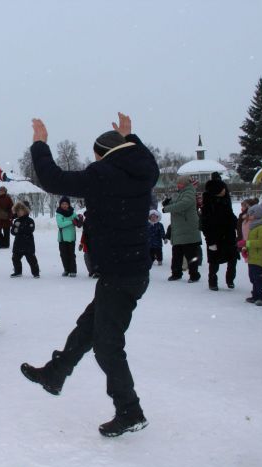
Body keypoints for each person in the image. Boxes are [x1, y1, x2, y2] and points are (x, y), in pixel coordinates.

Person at [20, 113, 158, 438]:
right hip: (131, 270)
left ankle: (130, 411)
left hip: (120, 272)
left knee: (107, 346)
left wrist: (40, 144)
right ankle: (55, 374)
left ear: (99, 154)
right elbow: (142, 158)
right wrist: (129, 137)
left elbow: (52, 180)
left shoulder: (104, 175)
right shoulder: (143, 172)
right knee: (88, 328)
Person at [200, 173, 239, 291]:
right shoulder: (208, 202)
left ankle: (230, 280)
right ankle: (212, 282)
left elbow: (230, 214)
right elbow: (205, 223)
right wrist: (209, 240)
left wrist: (237, 224)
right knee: (214, 261)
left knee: (232, 259)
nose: (224, 190)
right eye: (222, 189)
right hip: (215, 236)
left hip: (229, 234)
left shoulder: (226, 199)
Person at [162, 175, 202, 283]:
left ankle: (194, 275)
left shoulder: (189, 192)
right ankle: (176, 273)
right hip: (179, 229)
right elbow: (176, 202)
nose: (178, 185)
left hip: (188, 229)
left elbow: (183, 204)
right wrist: (168, 202)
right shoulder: (181, 193)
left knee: (191, 255)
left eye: (179, 183)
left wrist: (167, 209)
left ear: (185, 184)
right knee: (177, 254)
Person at [239, 203, 262, 306]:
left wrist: (247, 243)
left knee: (260, 278)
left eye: (250, 214)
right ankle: (256, 295)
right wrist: (246, 249)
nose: (248, 216)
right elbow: (252, 241)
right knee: (253, 278)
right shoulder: (254, 226)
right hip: (253, 257)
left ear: (257, 214)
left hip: (260, 258)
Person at [10, 201, 40, 278]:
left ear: (25, 211)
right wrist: (16, 229)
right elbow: (13, 232)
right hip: (18, 244)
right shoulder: (16, 221)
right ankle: (18, 272)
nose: (19, 213)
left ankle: (36, 273)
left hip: (28, 244)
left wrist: (19, 230)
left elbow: (30, 230)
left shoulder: (30, 220)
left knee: (32, 259)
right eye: (18, 211)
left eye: (21, 211)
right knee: (15, 258)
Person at [56, 196, 78, 277]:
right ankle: (66, 269)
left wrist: (79, 219)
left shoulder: (72, 212)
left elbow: (77, 219)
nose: (64, 205)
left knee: (71, 254)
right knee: (63, 255)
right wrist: (72, 221)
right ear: (60, 205)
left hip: (71, 237)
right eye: (63, 204)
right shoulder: (58, 213)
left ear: (69, 205)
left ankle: (73, 270)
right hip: (62, 238)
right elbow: (60, 224)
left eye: (66, 204)